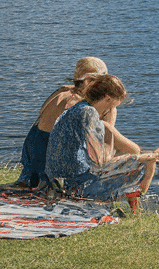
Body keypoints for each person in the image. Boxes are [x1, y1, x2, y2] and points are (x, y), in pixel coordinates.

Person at [17, 57, 143, 188]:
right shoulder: (102, 106)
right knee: (127, 152)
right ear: (90, 81)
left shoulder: (61, 92)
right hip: (59, 167)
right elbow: (106, 142)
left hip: (33, 160)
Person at [44, 74, 159, 208]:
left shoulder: (77, 108)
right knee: (143, 165)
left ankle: (132, 206)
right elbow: (101, 164)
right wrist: (146, 157)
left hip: (56, 181)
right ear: (107, 98)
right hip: (75, 188)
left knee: (136, 159)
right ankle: (134, 209)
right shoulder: (89, 114)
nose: (111, 111)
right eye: (112, 107)